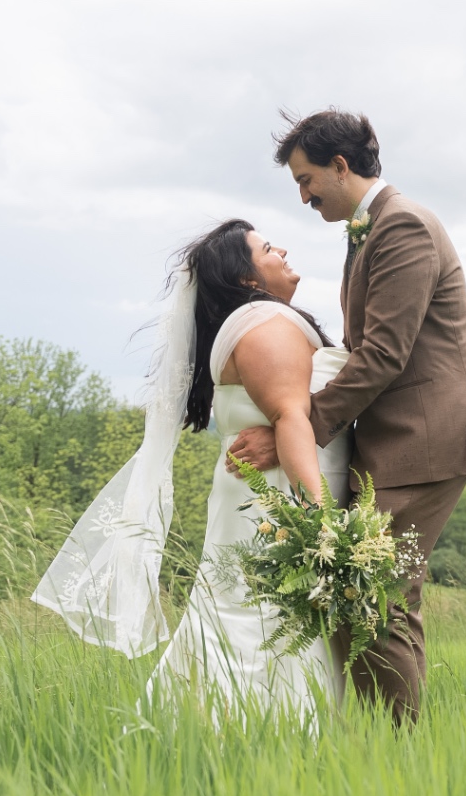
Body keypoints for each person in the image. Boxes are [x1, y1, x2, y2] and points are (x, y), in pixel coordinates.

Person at [227, 109, 466, 724]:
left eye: (306, 179)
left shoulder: (403, 228)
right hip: (395, 439)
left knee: (371, 597)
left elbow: (383, 354)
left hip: (422, 441)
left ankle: (393, 752)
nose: (302, 195)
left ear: (340, 167)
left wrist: (296, 430)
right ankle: (387, 741)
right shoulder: (373, 228)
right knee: (367, 595)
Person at [31, 219, 350, 725]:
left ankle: (220, 733)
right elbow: (292, 416)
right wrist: (323, 525)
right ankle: (260, 734)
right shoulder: (267, 326)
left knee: (259, 615)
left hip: (264, 497)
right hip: (278, 505)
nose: (283, 250)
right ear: (247, 279)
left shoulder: (263, 323)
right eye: (268, 248)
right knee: (262, 620)